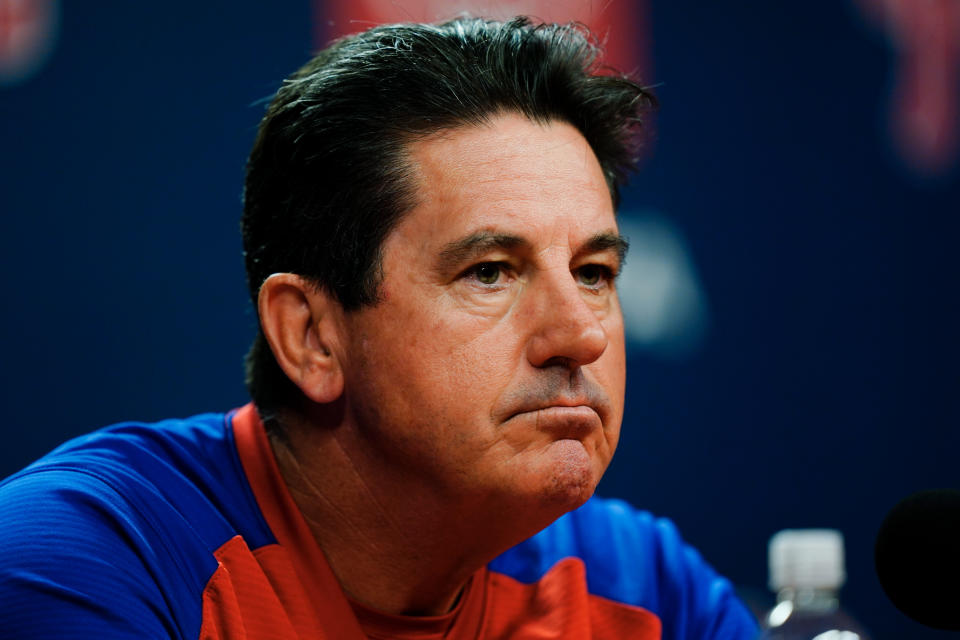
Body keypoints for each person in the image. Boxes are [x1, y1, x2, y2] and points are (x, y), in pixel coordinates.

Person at [0, 16, 757, 639]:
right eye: (490, 270)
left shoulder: (644, 589)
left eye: (594, 274)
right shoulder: (89, 563)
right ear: (311, 337)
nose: (580, 335)